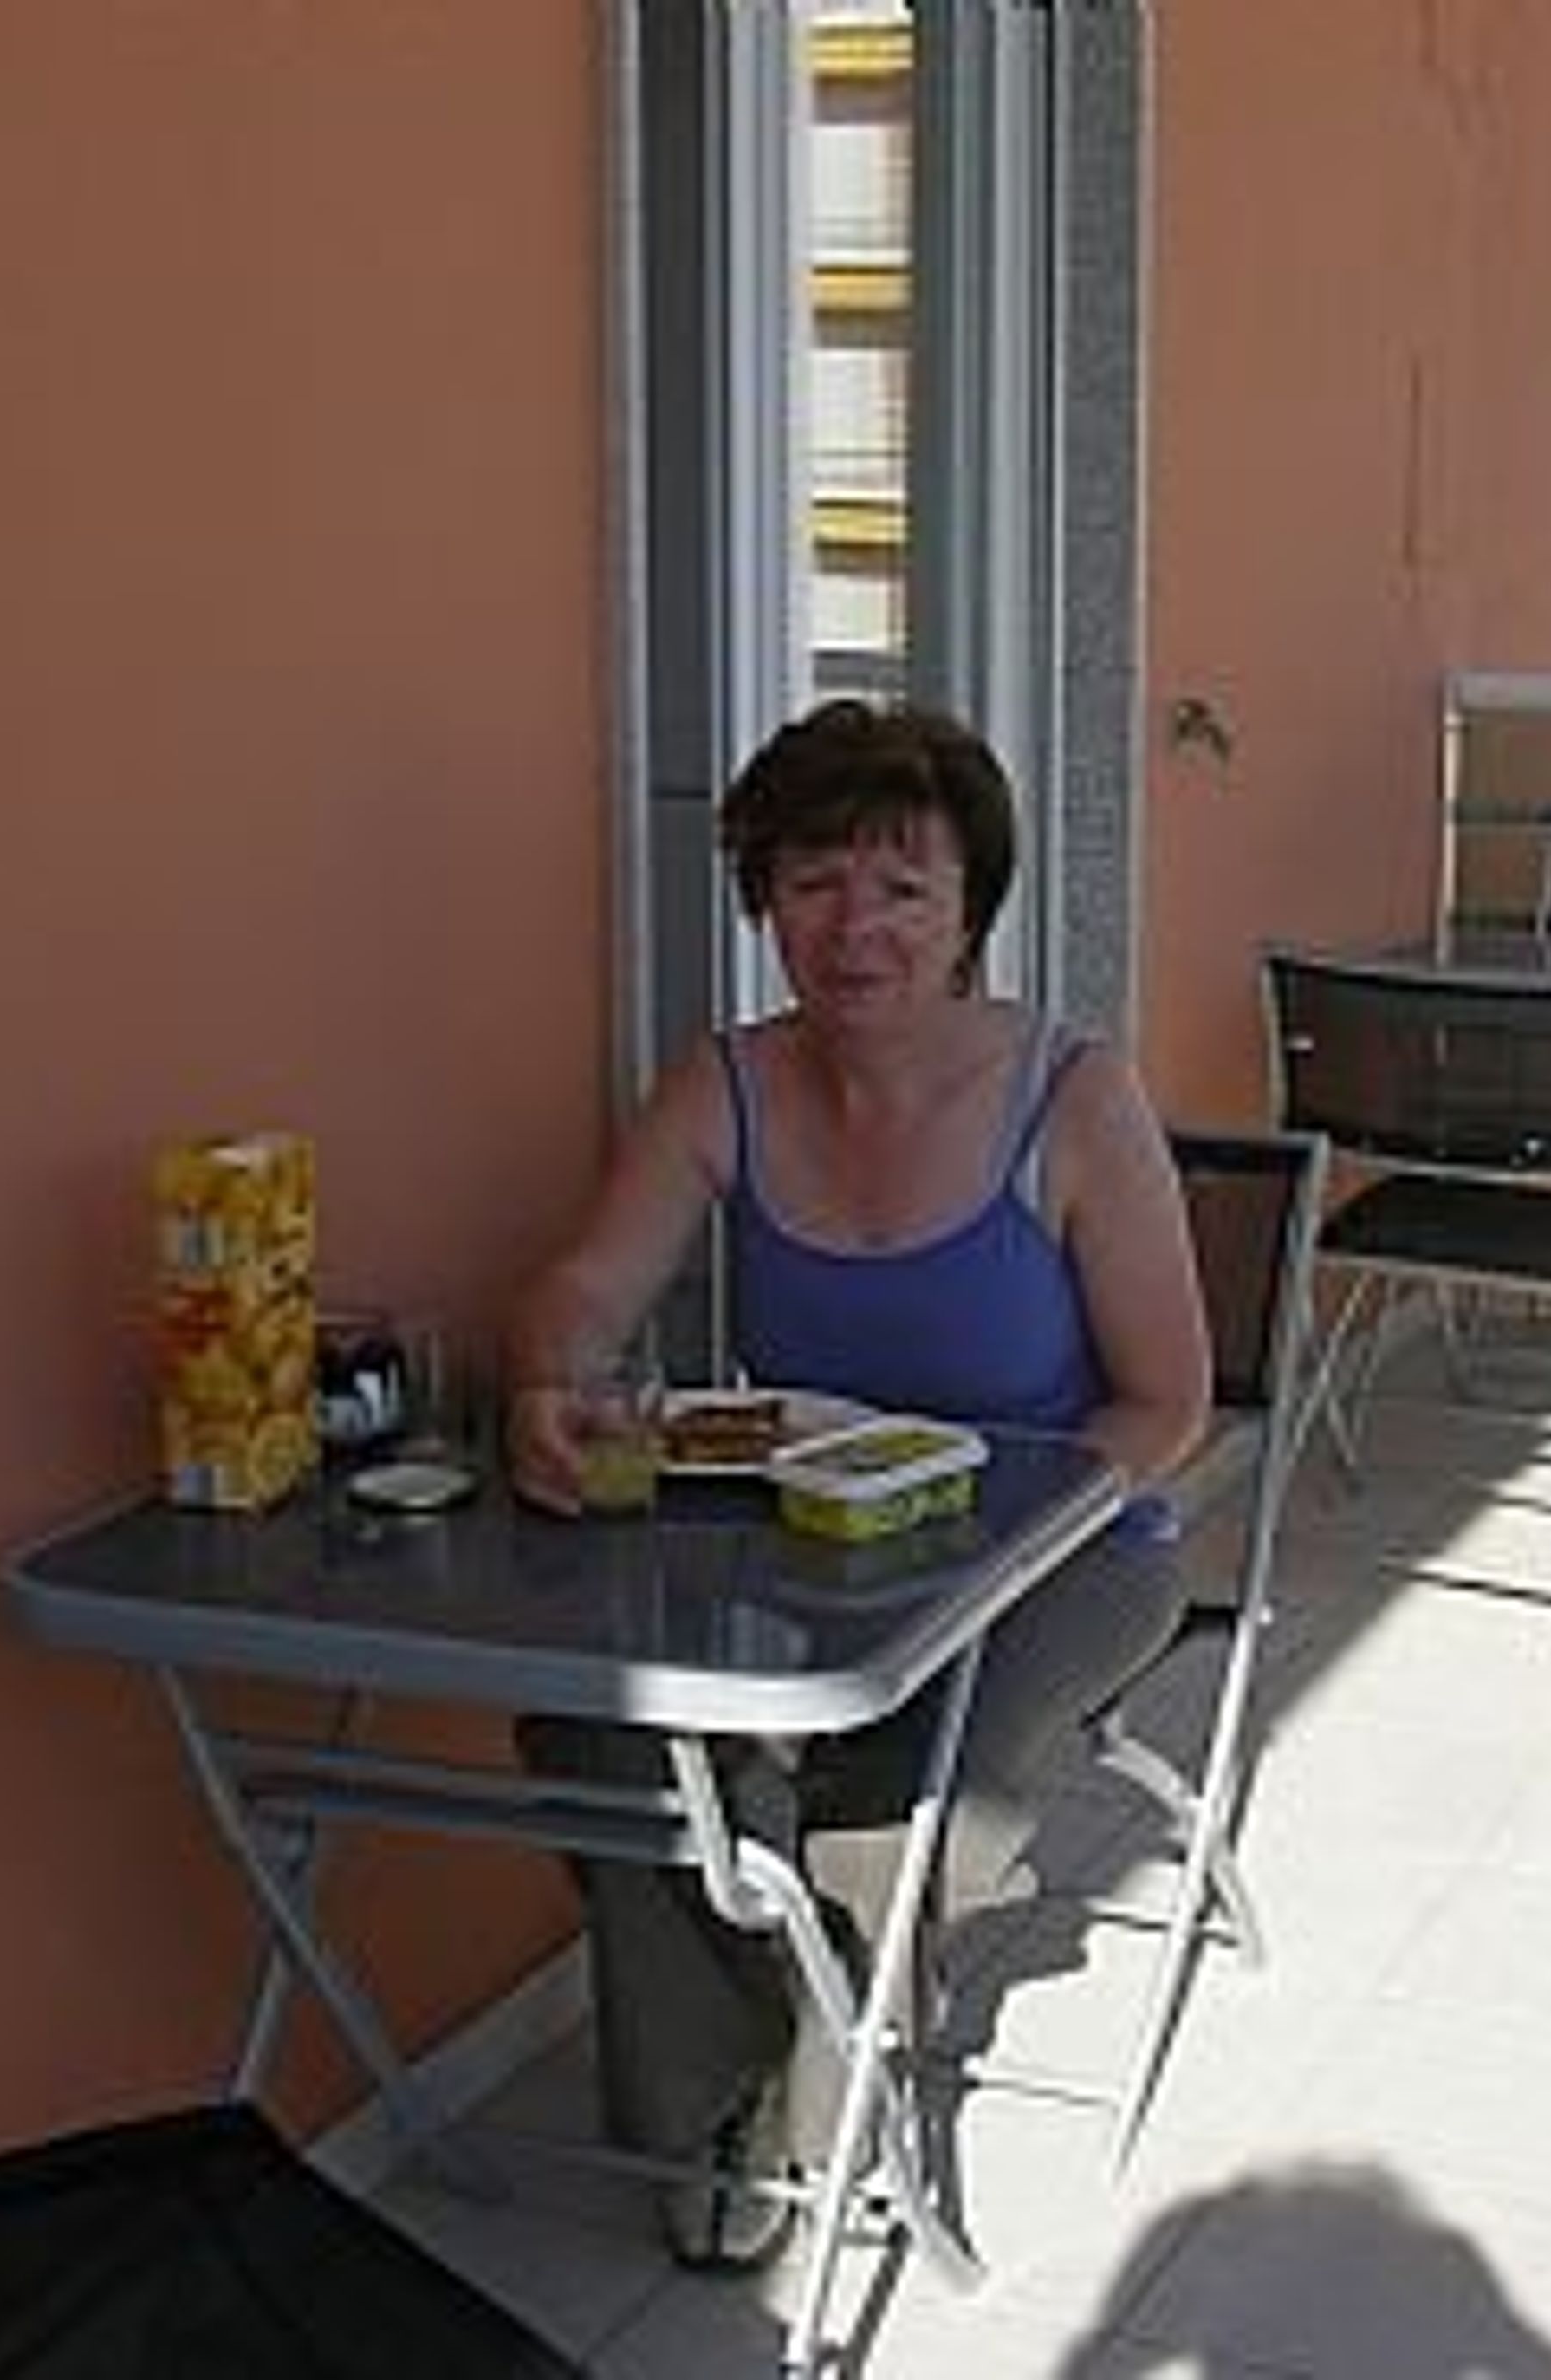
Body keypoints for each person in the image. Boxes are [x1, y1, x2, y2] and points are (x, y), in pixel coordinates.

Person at [504, 697, 1210, 2268]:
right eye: (813, 881)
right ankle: (730, 2074)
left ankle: (824, 2093)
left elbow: (1171, 1403)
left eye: (902, 886)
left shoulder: (1074, 1096)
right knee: (584, 1719)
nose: (856, 926)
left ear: (969, 911)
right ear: (765, 902)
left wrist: (998, 1539)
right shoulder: (728, 1083)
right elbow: (583, 1290)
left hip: (1070, 1538)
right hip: (804, 1531)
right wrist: (553, 1386)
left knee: (913, 1793)